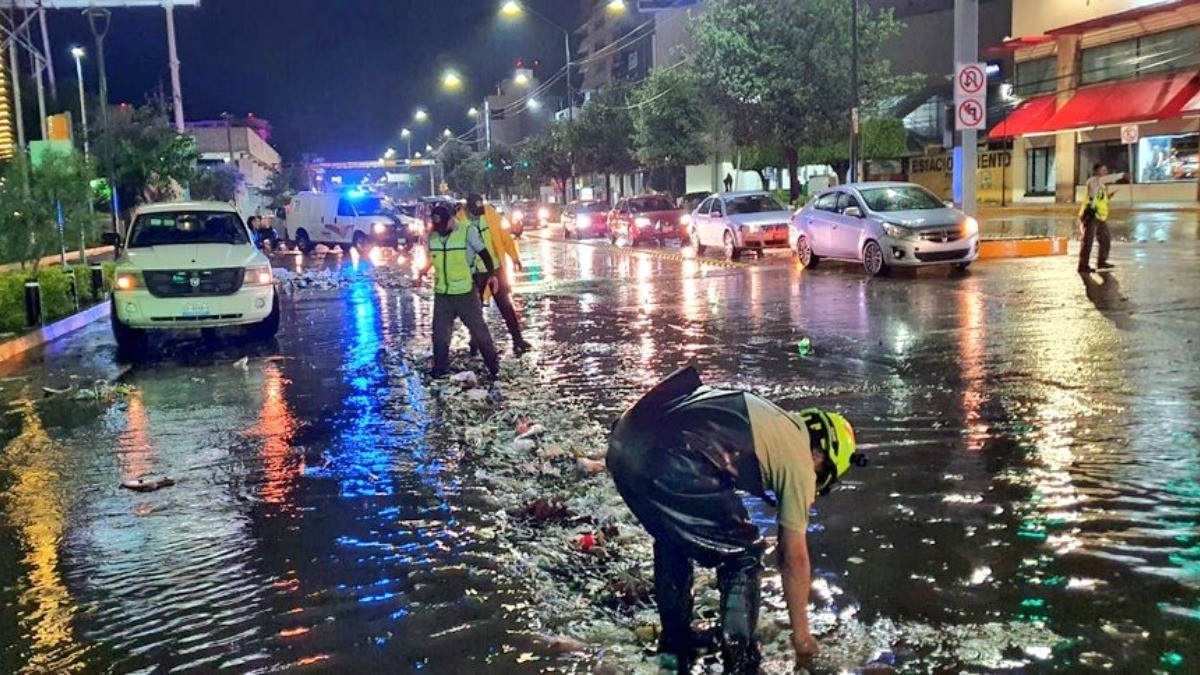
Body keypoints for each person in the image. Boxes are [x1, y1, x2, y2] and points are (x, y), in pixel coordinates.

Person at [606, 366, 864, 673]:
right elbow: (793, 557)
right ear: (822, 458)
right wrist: (803, 637)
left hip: (623, 445)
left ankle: (676, 643)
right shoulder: (799, 460)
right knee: (742, 555)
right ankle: (739, 660)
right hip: (673, 457)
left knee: (673, 537)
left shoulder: (774, 421)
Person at [418, 203, 501, 380]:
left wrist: (492, 276)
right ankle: (440, 369)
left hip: (465, 293)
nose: (440, 230)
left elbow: (485, 254)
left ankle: (493, 367)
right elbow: (433, 259)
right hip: (443, 294)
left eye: (443, 226)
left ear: (451, 220)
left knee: (479, 331)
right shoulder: (433, 236)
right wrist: (421, 273)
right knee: (439, 335)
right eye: (437, 227)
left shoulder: (466, 232)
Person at [459, 194, 532, 355]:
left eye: (480, 210)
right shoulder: (459, 219)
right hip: (473, 272)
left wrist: (514, 257)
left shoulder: (491, 214)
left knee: (505, 305)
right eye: (475, 212)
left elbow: (505, 237)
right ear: (468, 209)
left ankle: (517, 339)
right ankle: (475, 341)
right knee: (474, 310)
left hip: (495, 269)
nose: (479, 214)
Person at [1079, 163, 1122, 273]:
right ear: (1096, 171)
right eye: (1103, 170)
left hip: (1100, 217)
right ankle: (1083, 266)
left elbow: (1100, 199)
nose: (1106, 172)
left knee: (1105, 240)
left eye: (1106, 170)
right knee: (1087, 242)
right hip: (1091, 216)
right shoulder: (1093, 181)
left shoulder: (1101, 186)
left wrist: (1109, 196)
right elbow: (1107, 179)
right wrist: (1122, 175)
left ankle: (1101, 262)